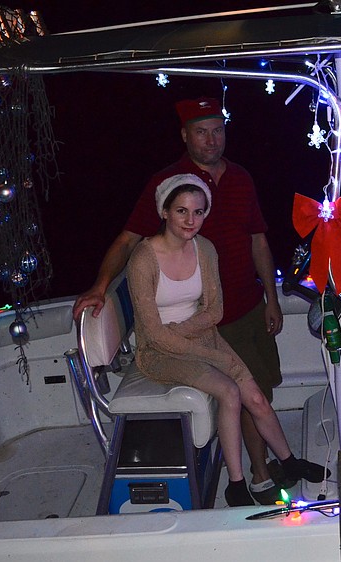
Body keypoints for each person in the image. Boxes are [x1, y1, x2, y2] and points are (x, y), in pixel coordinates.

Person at [73, 97, 291, 504]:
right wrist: (101, 285)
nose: (211, 140)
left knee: (260, 388)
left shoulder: (241, 178)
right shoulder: (168, 184)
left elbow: (258, 239)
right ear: (185, 135)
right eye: (201, 132)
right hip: (206, 321)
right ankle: (259, 476)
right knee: (243, 391)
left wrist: (272, 298)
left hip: (245, 305)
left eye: (218, 130)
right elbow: (128, 240)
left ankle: (273, 465)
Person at [126, 175, 326, 507]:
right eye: (181, 211)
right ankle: (236, 484)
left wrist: (185, 331)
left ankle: (289, 461)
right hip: (158, 352)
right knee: (230, 391)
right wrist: (204, 350)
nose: (191, 220)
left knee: (255, 397)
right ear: (164, 211)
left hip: (202, 335)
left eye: (199, 212)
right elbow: (154, 334)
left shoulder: (204, 248)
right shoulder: (143, 258)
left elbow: (214, 311)